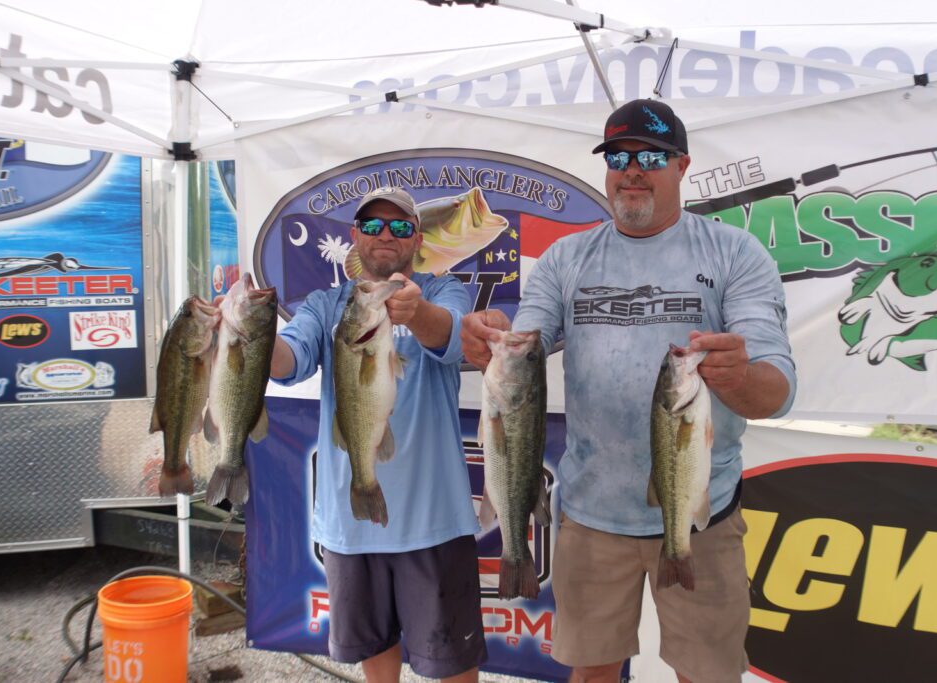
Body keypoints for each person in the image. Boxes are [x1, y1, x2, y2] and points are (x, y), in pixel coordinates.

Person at [461, 99, 797, 683]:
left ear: (682, 165)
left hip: (701, 519)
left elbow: (777, 392)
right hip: (590, 516)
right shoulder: (567, 258)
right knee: (591, 672)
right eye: (618, 157)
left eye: (652, 157)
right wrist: (491, 337)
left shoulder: (735, 254)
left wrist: (740, 376)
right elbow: (523, 342)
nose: (633, 170)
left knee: (707, 675)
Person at [270, 186, 486, 682]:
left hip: (435, 520)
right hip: (352, 524)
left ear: (417, 239)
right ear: (355, 237)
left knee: (454, 663)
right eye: (372, 225)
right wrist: (251, 337)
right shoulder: (326, 305)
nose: (385, 235)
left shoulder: (442, 292)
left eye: (400, 226)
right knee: (376, 657)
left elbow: (455, 338)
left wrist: (418, 314)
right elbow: (288, 361)